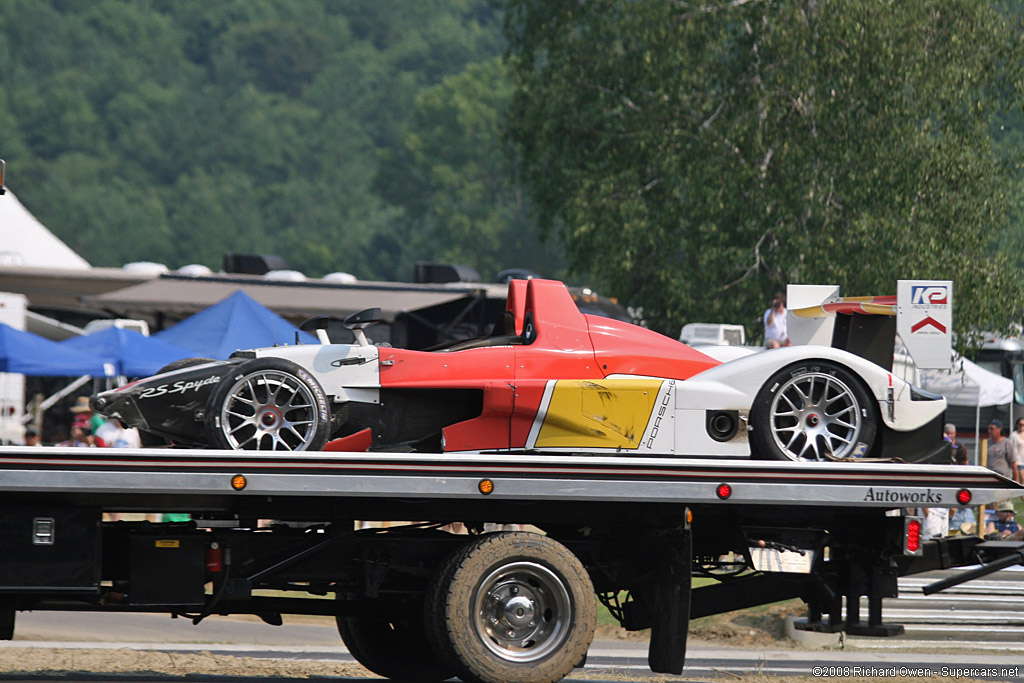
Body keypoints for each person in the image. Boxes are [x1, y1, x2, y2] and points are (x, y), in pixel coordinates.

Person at [985, 419, 1018, 483]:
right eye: (988, 428)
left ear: (999, 429)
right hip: (990, 478)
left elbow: (1013, 464)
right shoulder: (987, 442)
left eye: (992, 429)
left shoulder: (1007, 443)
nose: (989, 430)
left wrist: (1016, 482)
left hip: (1003, 478)